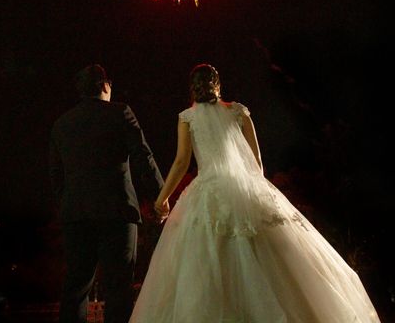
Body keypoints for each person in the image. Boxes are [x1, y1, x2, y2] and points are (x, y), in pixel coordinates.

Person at [129, 63, 381, 322]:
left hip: (209, 190)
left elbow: (182, 162)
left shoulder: (187, 117)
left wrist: (163, 199)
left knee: (207, 257)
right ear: (218, 84)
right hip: (245, 187)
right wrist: (254, 191)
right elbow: (256, 161)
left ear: (191, 89)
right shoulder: (239, 112)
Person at [49, 64, 165, 323]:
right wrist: (161, 195)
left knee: (75, 289)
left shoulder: (61, 124)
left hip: (76, 215)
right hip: (117, 212)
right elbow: (142, 156)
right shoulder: (121, 112)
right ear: (105, 85)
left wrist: (67, 205)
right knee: (118, 289)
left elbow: (56, 176)